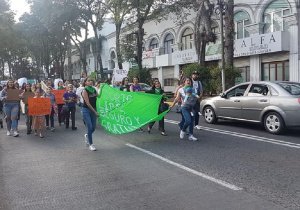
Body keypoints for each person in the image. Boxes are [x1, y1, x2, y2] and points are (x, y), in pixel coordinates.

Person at [81, 78, 98, 151]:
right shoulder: (85, 90)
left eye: (91, 80)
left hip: (93, 110)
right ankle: (91, 144)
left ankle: (87, 135)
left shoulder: (94, 89)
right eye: (88, 81)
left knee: (93, 127)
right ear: (85, 83)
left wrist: (103, 88)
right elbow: (87, 103)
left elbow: (99, 96)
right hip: (86, 110)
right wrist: (95, 112)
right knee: (90, 127)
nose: (90, 81)